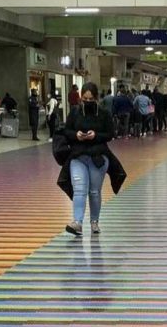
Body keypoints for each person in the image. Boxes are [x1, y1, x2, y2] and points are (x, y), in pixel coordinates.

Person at [61, 83, 115, 236]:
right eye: (85, 99)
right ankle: (77, 222)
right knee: (79, 190)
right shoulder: (74, 112)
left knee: (94, 192)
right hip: (78, 156)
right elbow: (66, 131)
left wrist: (95, 135)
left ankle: (94, 222)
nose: (88, 101)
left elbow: (110, 134)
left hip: (98, 157)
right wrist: (76, 135)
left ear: (96, 98)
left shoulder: (104, 114)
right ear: (81, 98)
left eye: (91, 99)